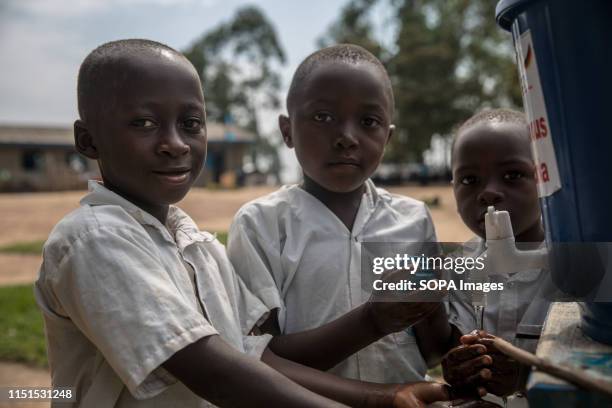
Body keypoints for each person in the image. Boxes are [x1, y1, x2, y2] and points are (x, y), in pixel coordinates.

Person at [34, 38, 459, 408]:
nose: (174, 144)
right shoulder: (95, 238)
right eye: (144, 123)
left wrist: (387, 396)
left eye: (191, 124)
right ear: (87, 140)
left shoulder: (199, 247)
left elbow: (257, 358)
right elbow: (216, 374)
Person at [227, 44, 443, 384]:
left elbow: (430, 353)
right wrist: (373, 321)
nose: (346, 138)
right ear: (287, 130)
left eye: (368, 121)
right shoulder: (261, 224)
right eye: (323, 117)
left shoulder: (413, 219)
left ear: (387, 137)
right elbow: (258, 359)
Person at [436, 109, 556, 406]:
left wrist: (526, 377)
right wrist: (460, 369)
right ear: (453, 189)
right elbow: (455, 348)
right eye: (470, 180)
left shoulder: (575, 268)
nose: (488, 192)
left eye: (512, 175)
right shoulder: (458, 270)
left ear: (543, 177)